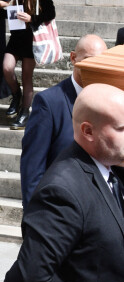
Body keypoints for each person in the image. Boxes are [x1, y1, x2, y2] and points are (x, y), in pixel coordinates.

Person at [3, 83, 124, 282]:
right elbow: (27, 278)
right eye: (121, 128)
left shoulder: (110, 171)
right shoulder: (62, 191)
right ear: (88, 131)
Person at [20, 34, 106, 207]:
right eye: (89, 60)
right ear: (74, 58)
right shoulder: (49, 103)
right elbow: (32, 168)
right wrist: (36, 220)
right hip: (61, 211)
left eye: (101, 61)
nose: (96, 67)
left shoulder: (109, 101)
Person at [3, 0, 56, 130]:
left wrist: (31, 18)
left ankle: (24, 113)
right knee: (7, 67)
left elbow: (50, 14)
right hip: (17, 37)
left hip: (32, 39)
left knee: (27, 76)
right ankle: (16, 95)